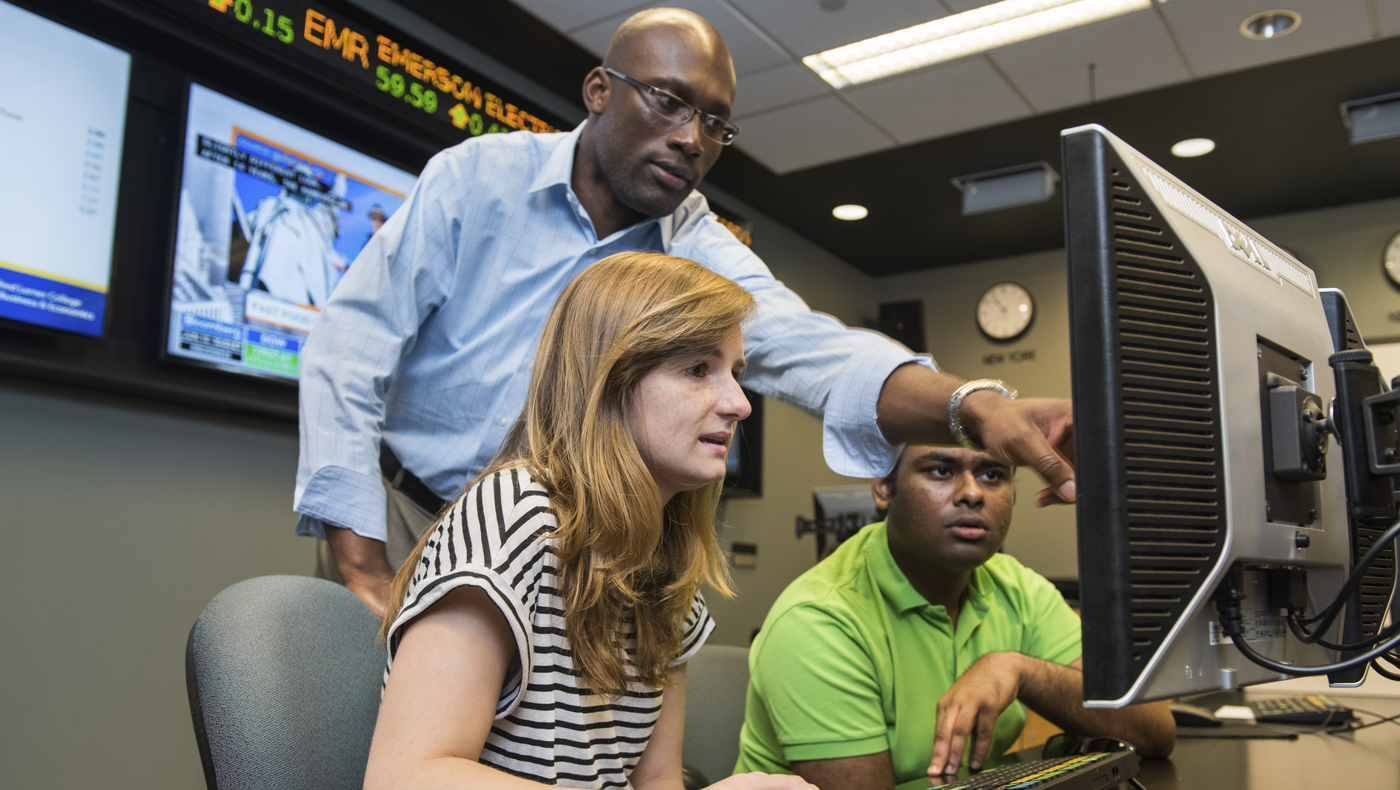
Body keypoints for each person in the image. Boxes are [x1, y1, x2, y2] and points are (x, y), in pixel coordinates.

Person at [295, 6, 1077, 618]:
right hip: (406, 515)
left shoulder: (697, 246)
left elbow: (812, 350)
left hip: (552, 554)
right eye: (670, 102)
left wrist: (971, 404)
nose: (691, 139)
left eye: (714, 122)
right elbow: (349, 343)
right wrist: (360, 553)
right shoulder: (476, 179)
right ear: (600, 91)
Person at [364, 252, 814, 790]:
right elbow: (405, 777)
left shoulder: (667, 554)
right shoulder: (514, 513)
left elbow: (657, 780)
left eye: (735, 375)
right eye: (699, 369)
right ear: (609, 380)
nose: (739, 403)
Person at [734, 444, 1176, 790]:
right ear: (884, 486)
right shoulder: (819, 621)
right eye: (941, 470)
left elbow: (1156, 731)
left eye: (992, 473)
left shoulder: (1013, 584)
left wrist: (1019, 671)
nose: (972, 492)